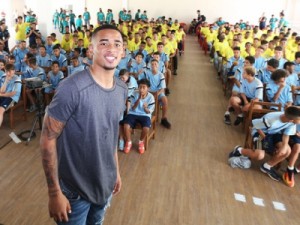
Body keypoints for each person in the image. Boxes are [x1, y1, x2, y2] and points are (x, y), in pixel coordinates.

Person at [40, 24, 126, 224]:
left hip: (104, 184)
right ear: (91, 50)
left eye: (117, 44)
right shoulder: (72, 87)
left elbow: (111, 135)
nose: (111, 48)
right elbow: (47, 139)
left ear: (122, 51)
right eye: (103, 43)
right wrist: (54, 193)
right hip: (74, 192)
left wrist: (115, 171)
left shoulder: (121, 88)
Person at [229, 106, 300, 182]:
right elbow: (256, 126)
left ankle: (267, 166)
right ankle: (239, 150)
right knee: (259, 155)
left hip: (274, 133)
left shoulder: (292, 123)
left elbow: (286, 135)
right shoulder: (271, 119)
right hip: (260, 133)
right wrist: (266, 139)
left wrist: (284, 146)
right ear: (291, 120)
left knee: (287, 150)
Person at [123, 78, 155, 154]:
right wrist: (138, 99)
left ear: (148, 88)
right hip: (133, 113)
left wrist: (146, 108)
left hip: (145, 115)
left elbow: (149, 111)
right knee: (126, 126)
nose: (141, 89)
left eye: (144, 87)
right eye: (140, 87)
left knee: (146, 128)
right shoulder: (134, 94)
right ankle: (129, 142)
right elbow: (133, 108)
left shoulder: (151, 97)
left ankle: (141, 142)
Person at [0, 63, 22, 128]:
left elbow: (13, 93)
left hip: (12, 98)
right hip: (3, 95)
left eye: (10, 71)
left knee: (0, 110)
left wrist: (1, 95)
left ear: (14, 71)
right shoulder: (3, 76)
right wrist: (6, 81)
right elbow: (2, 90)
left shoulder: (17, 79)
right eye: (7, 71)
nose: (8, 73)